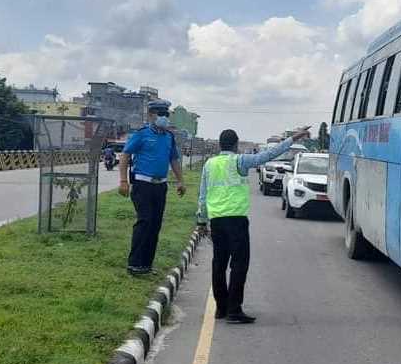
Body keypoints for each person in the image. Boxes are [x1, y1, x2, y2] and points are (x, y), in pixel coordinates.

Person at [198, 126, 311, 323]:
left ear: (219, 145)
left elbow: (202, 195)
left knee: (219, 263)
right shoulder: (239, 161)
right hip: (236, 220)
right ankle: (234, 310)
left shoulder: (209, 164)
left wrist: (201, 221)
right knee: (239, 264)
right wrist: (292, 138)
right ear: (235, 145)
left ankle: (221, 308)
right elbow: (269, 155)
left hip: (216, 221)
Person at [119, 100, 186, 275]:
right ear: (150, 115)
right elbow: (125, 155)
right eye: (159, 113)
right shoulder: (141, 134)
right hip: (142, 185)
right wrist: (123, 181)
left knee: (155, 225)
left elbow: (174, 160)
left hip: (160, 186)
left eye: (166, 114)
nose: (163, 117)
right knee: (145, 221)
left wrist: (180, 181)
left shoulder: (169, 137)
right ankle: (134, 264)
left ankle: (146, 265)